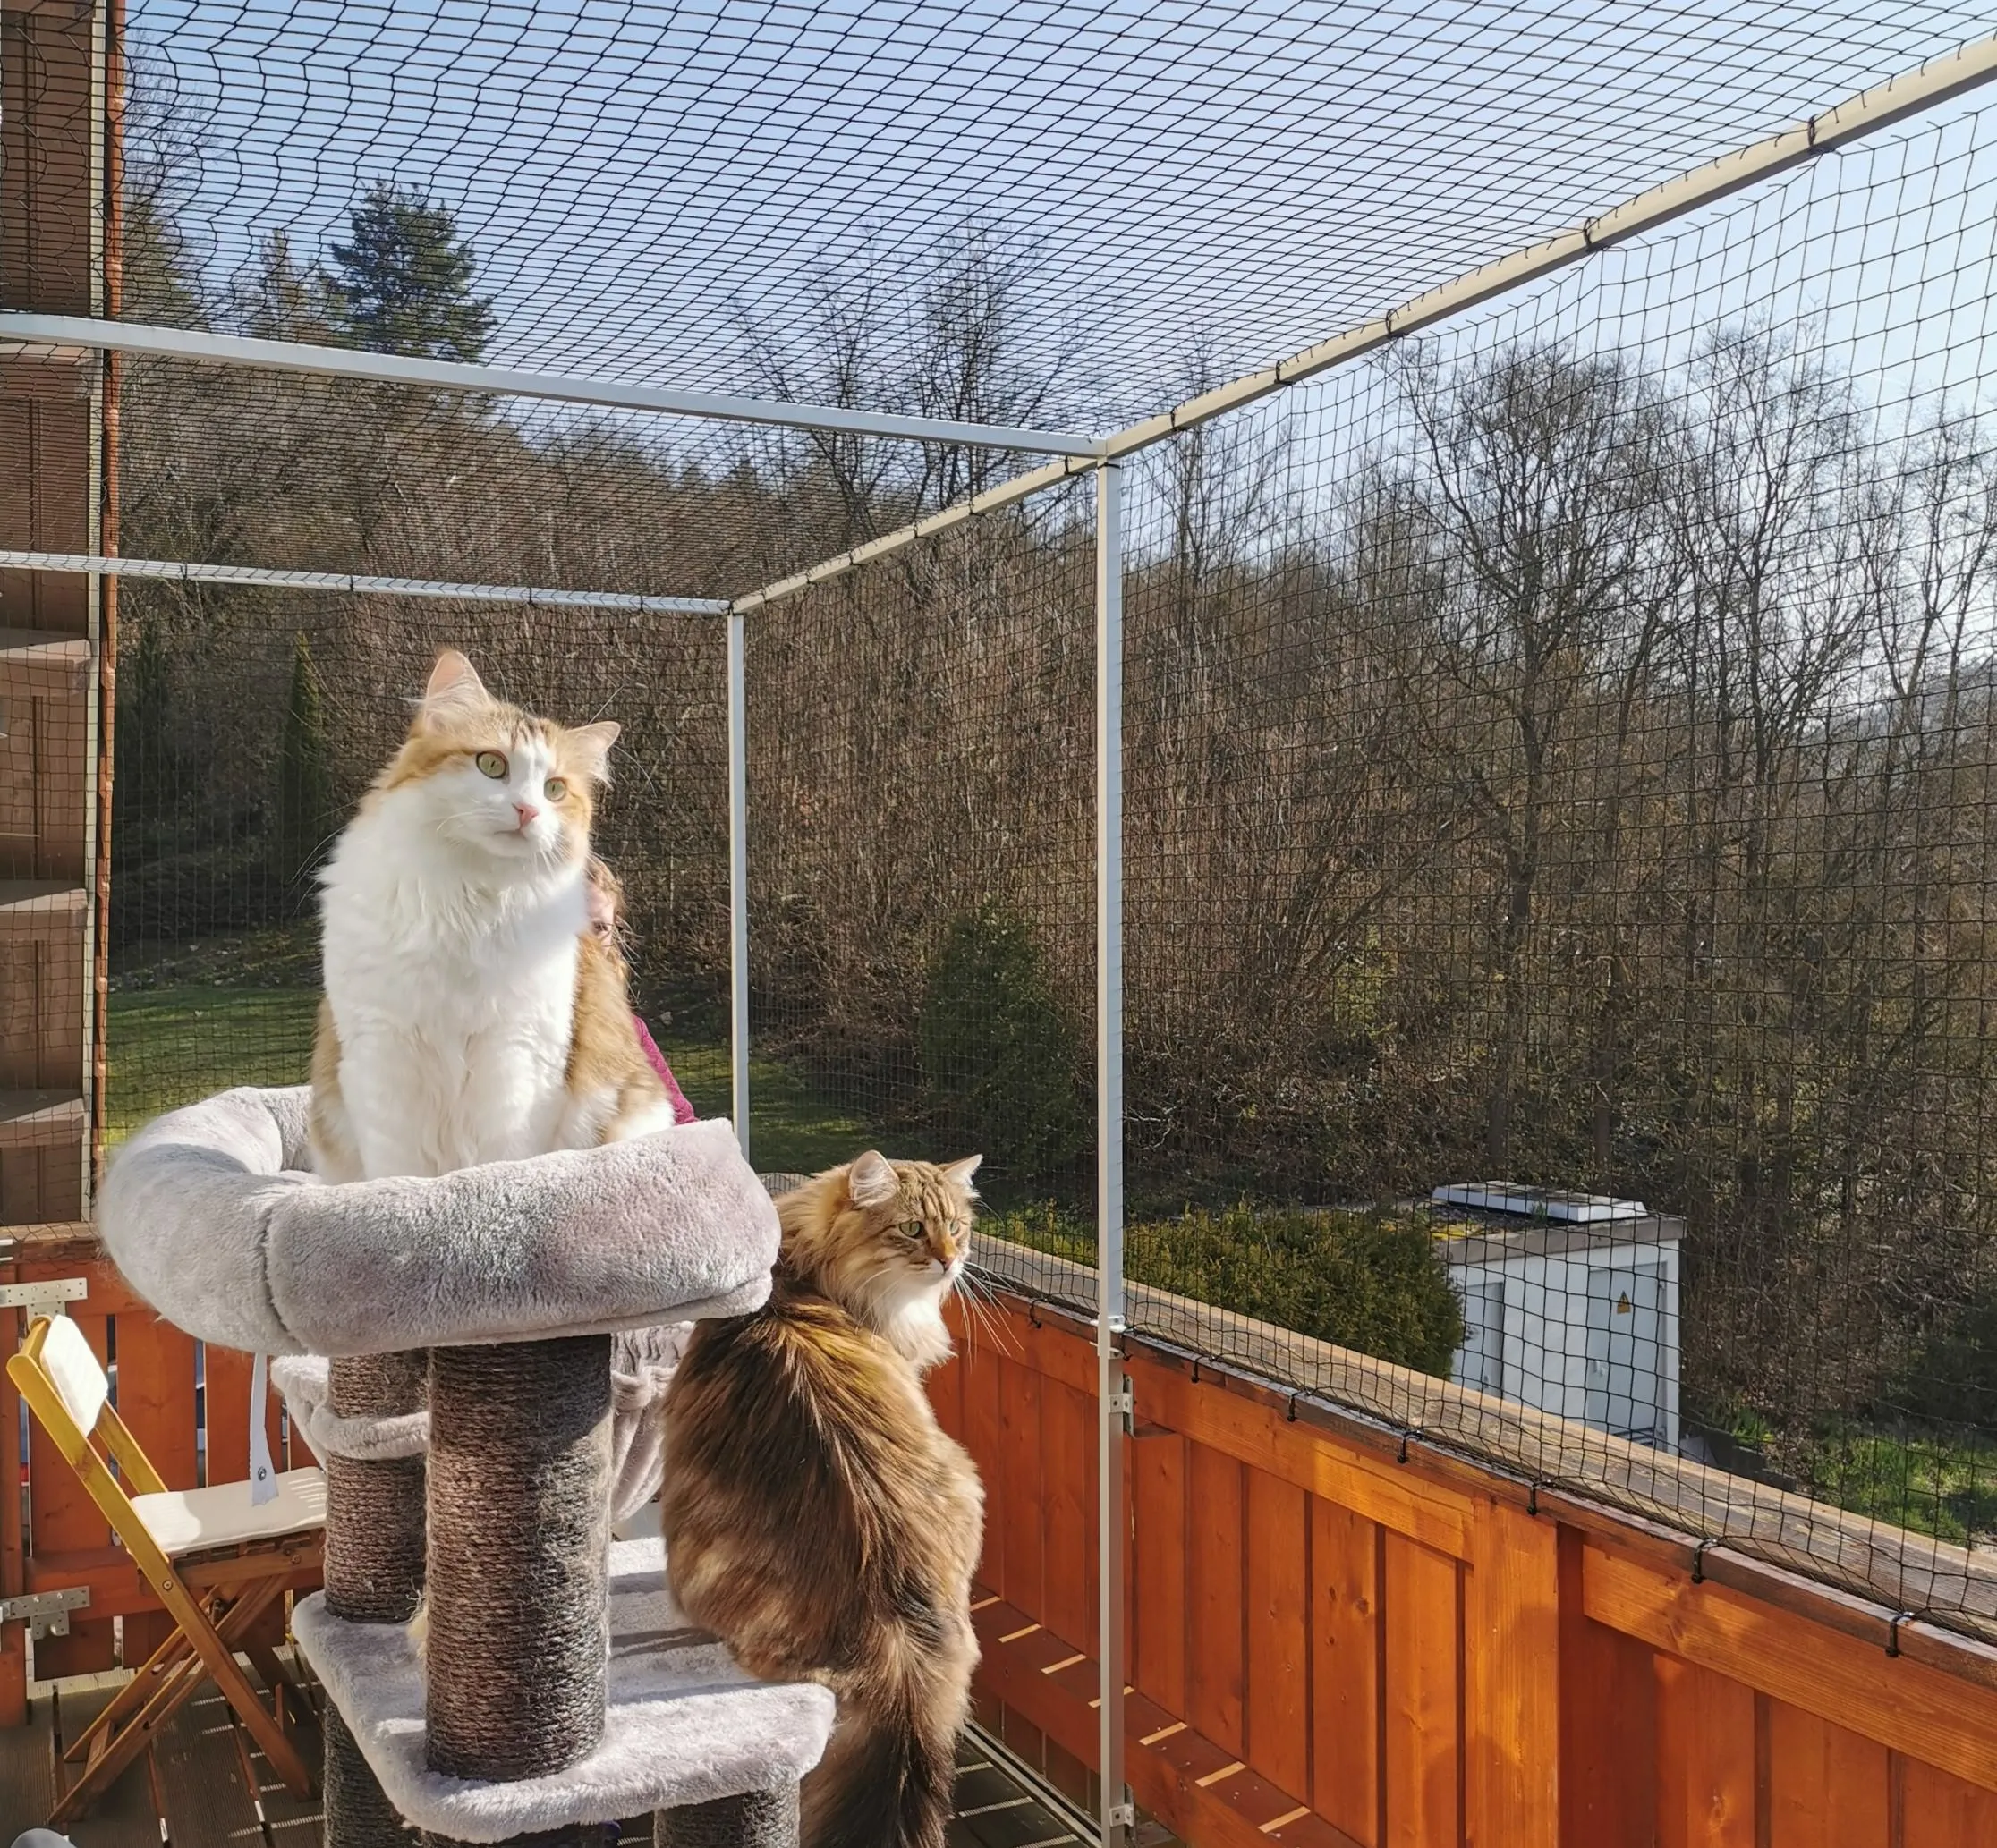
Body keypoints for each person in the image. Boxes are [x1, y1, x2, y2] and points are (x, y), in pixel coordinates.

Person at [585, 856, 696, 1127]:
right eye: (569, 924)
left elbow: (684, 1125)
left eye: (599, 928)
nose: (585, 942)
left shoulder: (629, 1032)